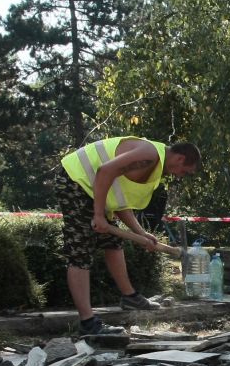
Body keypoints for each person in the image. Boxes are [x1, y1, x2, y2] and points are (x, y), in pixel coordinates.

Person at [56, 136, 201, 335]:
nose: (180, 176)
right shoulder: (149, 155)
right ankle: (88, 323)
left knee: (113, 242)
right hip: (75, 181)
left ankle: (130, 297)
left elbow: (118, 199)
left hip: (93, 189)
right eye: (185, 172)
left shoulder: (154, 165)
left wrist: (141, 233)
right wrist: (98, 215)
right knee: (80, 251)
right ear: (180, 159)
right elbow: (104, 171)